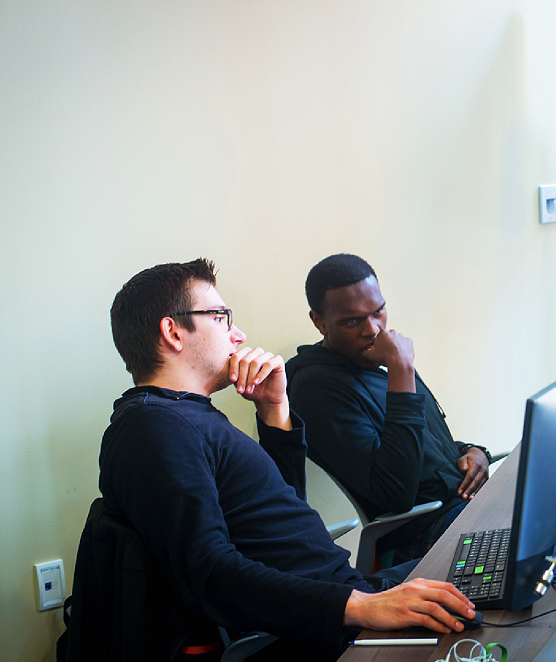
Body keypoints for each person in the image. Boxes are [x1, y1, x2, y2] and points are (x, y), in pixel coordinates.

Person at [101, 259, 475, 659]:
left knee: (492, 559)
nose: (238, 334)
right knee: (496, 593)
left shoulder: (182, 417)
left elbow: (271, 524)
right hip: (337, 622)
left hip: (345, 599)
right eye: (222, 318)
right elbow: (210, 575)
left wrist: (274, 410)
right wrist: (364, 607)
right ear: (173, 332)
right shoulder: (155, 427)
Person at [286, 254, 490, 564]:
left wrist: (473, 451)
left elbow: (423, 445)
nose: (373, 329)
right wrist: (401, 369)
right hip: (420, 534)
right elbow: (397, 492)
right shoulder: (318, 391)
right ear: (319, 322)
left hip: (457, 505)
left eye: (378, 311)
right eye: (352, 321)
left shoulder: (375, 362)